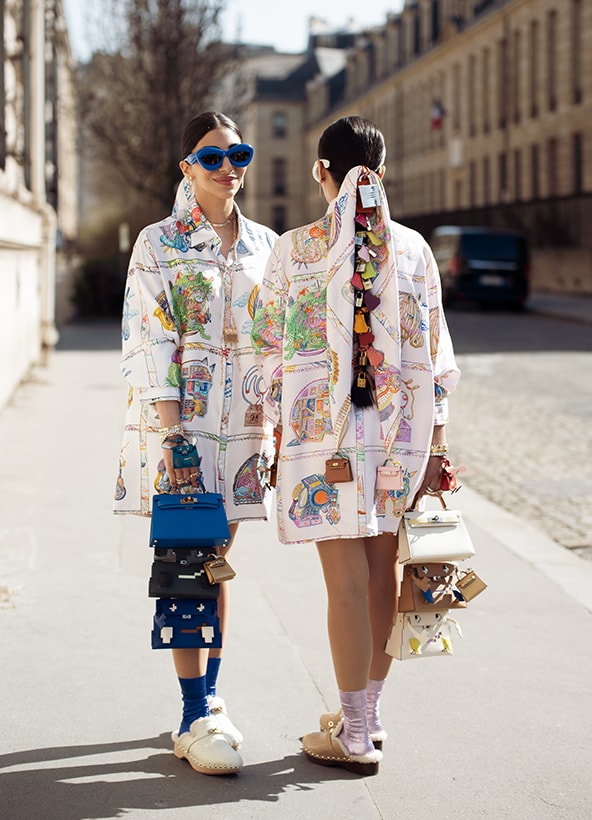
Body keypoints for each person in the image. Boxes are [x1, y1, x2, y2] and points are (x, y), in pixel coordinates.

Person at [252, 116, 460, 776]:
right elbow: (438, 357)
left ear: (321, 172)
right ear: (383, 170)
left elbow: (264, 349)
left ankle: (354, 736)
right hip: (401, 440)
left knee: (343, 585)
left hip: (325, 443)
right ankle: (363, 716)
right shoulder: (416, 250)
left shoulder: (294, 250)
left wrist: (273, 412)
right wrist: (438, 447)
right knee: (382, 576)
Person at [116, 111, 277, 775]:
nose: (229, 167)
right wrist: (173, 429)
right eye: (212, 158)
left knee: (214, 563)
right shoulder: (159, 242)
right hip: (182, 430)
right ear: (186, 168)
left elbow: (282, 335)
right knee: (189, 560)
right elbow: (146, 335)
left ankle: (207, 696)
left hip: (245, 430)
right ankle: (193, 713)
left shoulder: (266, 243)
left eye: (237, 154)